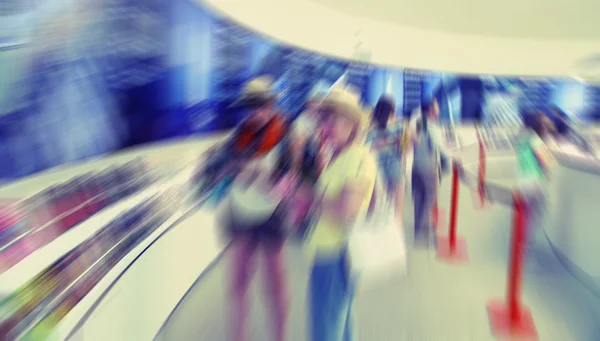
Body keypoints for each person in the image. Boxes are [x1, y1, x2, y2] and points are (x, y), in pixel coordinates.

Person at [218, 76, 294, 341]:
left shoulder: (286, 135)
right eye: (251, 107)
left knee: (275, 282)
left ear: (271, 106)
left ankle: (280, 336)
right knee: (238, 280)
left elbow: (290, 178)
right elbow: (222, 169)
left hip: (272, 213)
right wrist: (238, 170)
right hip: (239, 211)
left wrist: (268, 180)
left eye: (261, 106)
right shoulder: (237, 136)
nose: (255, 113)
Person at [305, 87, 378, 341]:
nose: (325, 125)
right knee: (341, 321)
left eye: (332, 119)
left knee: (326, 329)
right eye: (323, 118)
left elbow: (347, 210)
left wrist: (310, 201)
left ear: (352, 123)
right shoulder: (340, 155)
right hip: (332, 252)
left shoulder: (358, 157)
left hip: (336, 255)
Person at [409, 99, 461, 246]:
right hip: (427, 167)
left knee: (419, 197)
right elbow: (438, 145)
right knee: (429, 198)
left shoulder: (418, 121)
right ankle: (424, 234)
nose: (439, 108)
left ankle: (418, 230)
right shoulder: (429, 124)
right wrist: (453, 156)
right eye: (437, 106)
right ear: (431, 109)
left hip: (416, 166)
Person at [516, 112, 555, 253]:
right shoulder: (536, 140)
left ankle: (520, 242)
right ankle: (526, 245)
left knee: (525, 215)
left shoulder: (522, 138)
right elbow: (547, 160)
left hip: (522, 181)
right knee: (535, 216)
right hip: (535, 182)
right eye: (543, 123)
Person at [366, 95, 404, 216]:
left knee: (375, 210)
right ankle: (394, 234)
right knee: (397, 211)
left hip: (376, 171)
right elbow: (404, 148)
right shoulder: (398, 125)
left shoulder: (370, 127)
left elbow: (367, 149)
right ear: (392, 110)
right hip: (395, 169)